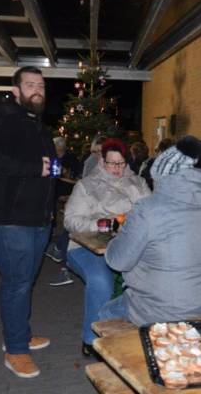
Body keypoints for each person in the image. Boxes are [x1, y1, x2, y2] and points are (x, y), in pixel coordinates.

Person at [0, 66, 55, 379]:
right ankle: (16, 349)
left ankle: (18, 332)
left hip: (37, 218)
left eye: (42, 85)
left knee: (24, 282)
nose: (37, 90)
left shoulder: (37, 124)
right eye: (30, 84)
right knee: (17, 283)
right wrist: (33, 167)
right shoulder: (3, 115)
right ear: (17, 90)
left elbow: (46, 170)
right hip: (9, 218)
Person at [99, 136, 201, 326]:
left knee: (105, 313)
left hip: (162, 310)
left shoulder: (147, 209)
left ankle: (127, 354)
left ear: (161, 176)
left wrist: (118, 236)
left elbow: (118, 261)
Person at [63, 138, 150, 356]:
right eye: (111, 163)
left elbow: (152, 212)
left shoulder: (138, 183)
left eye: (120, 164)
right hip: (87, 246)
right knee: (101, 280)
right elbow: (71, 221)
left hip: (130, 245)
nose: (116, 169)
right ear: (102, 161)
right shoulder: (87, 185)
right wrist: (104, 224)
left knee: (154, 275)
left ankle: (139, 330)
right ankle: (91, 338)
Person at [46, 136, 81, 287]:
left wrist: (66, 172)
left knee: (55, 195)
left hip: (68, 187)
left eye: (59, 149)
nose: (58, 152)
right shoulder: (51, 157)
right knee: (49, 195)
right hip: (56, 185)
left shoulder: (71, 158)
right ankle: (54, 235)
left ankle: (59, 248)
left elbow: (75, 175)